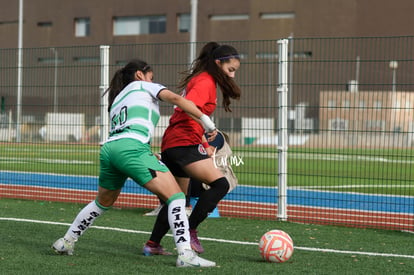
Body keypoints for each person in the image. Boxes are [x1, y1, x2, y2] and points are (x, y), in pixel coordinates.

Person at [51, 59, 218, 268]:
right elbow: (176, 99)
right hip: (131, 149)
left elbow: (129, 128)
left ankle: (66, 241)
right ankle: (185, 254)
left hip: (110, 150)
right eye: (151, 76)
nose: (153, 81)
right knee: (176, 197)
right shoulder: (143, 85)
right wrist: (207, 122)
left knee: (102, 203)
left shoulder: (118, 98)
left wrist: (146, 153)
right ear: (140, 75)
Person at [143, 41, 241, 255]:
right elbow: (188, 109)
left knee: (175, 198)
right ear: (218, 63)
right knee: (220, 185)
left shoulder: (204, 80)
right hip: (183, 141)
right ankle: (191, 230)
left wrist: (205, 142)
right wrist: (207, 130)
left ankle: (153, 245)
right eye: (230, 70)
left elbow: (188, 112)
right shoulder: (205, 81)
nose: (232, 75)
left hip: (174, 141)